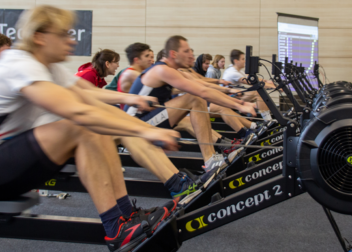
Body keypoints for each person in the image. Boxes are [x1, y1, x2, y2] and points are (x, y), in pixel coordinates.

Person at [0, 5, 183, 251]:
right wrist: (148, 131)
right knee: (81, 124)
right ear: (40, 37)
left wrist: (133, 109)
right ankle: (115, 227)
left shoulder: (49, 67)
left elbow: (91, 99)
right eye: (64, 33)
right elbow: (78, 111)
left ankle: (125, 216)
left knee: (98, 128)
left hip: (14, 160)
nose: (71, 40)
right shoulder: (19, 63)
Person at [125, 35, 256, 172]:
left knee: (193, 107)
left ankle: (219, 151)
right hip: (136, 128)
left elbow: (201, 86)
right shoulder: (162, 70)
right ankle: (211, 159)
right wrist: (239, 105)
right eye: (186, 51)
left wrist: (235, 99)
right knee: (195, 99)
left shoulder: (170, 71)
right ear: (173, 54)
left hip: (147, 120)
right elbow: (203, 91)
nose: (191, 55)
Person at [223, 49, 277, 123]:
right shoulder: (232, 73)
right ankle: (268, 120)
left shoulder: (237, 69)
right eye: (242, 59)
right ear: (236, 61)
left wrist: (267, 81)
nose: (244, 61)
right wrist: (274, 87)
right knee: (257, 92)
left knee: (255, 95)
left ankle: (260, 116)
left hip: (236, 96)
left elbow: (251, 78)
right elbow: (251, 82)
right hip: (229, 99)